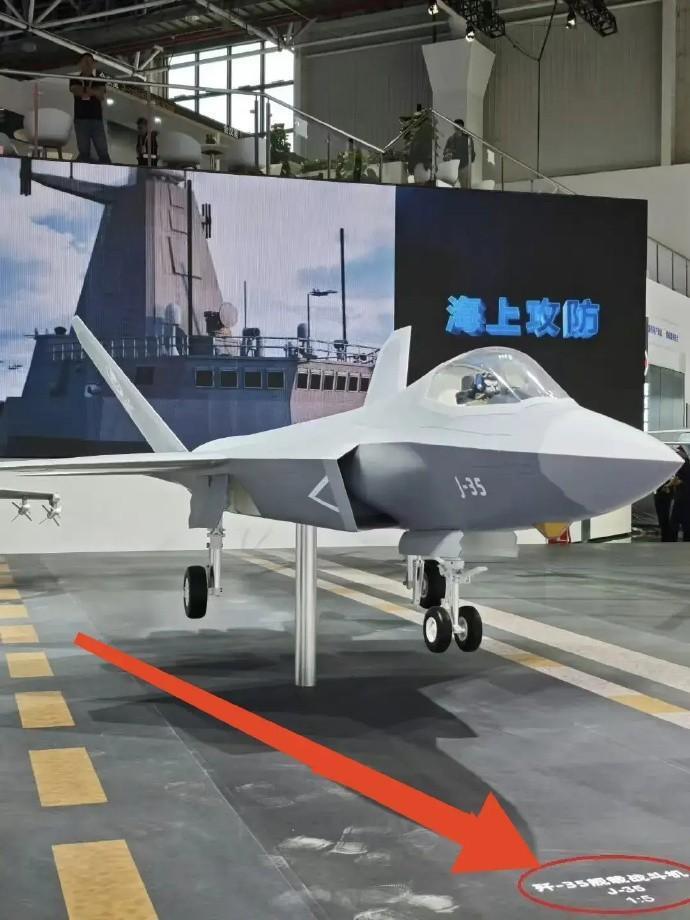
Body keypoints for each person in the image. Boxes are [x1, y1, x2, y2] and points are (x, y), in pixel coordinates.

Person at [69, 53, 111, 164]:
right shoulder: (75, 79)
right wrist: (93, 91)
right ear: (80, 64)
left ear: (93, 64)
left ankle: (108, 168)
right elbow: (75, 90)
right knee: (83, 150)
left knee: (102, 150)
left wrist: (86, 90)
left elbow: (101, 95)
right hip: (80, 119)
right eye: (85, 61)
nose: (87, 64)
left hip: (96, 119)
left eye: (90, 61)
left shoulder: (99, 80)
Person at [443, 118, 475, 188]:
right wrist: (447, 154)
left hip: (464, 166)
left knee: (465, 188)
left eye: (459, 126)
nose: (457, 128)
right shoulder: (451, 139)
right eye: (455, 126)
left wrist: (470, 161)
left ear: (462, 127)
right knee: (449, 187)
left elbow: (471, 153)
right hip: (453, 166)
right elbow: (445, 152)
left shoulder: (468, 138)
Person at [669, 445, 690, 541]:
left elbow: (680, 480)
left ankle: (673, 541)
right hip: (683, 495)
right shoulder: (685, 462)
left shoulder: (684, 463)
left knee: (676, 521)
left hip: (683, 496)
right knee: (684, 522)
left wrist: (671, 483)